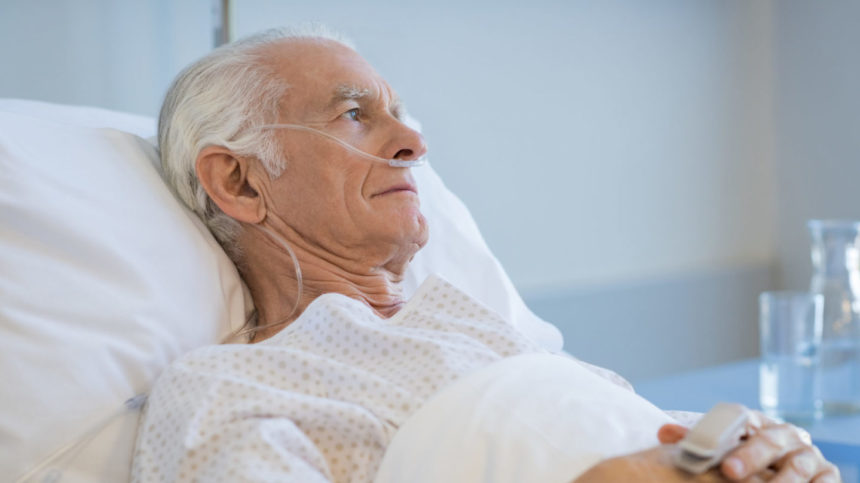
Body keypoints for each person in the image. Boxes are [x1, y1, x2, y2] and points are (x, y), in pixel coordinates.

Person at [132, 26, 839, 482]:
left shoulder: (485, 334)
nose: (414, 143)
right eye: (354, 114)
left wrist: (767, 454)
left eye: (398, 114)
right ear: (239, 180)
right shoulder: (229, 389)